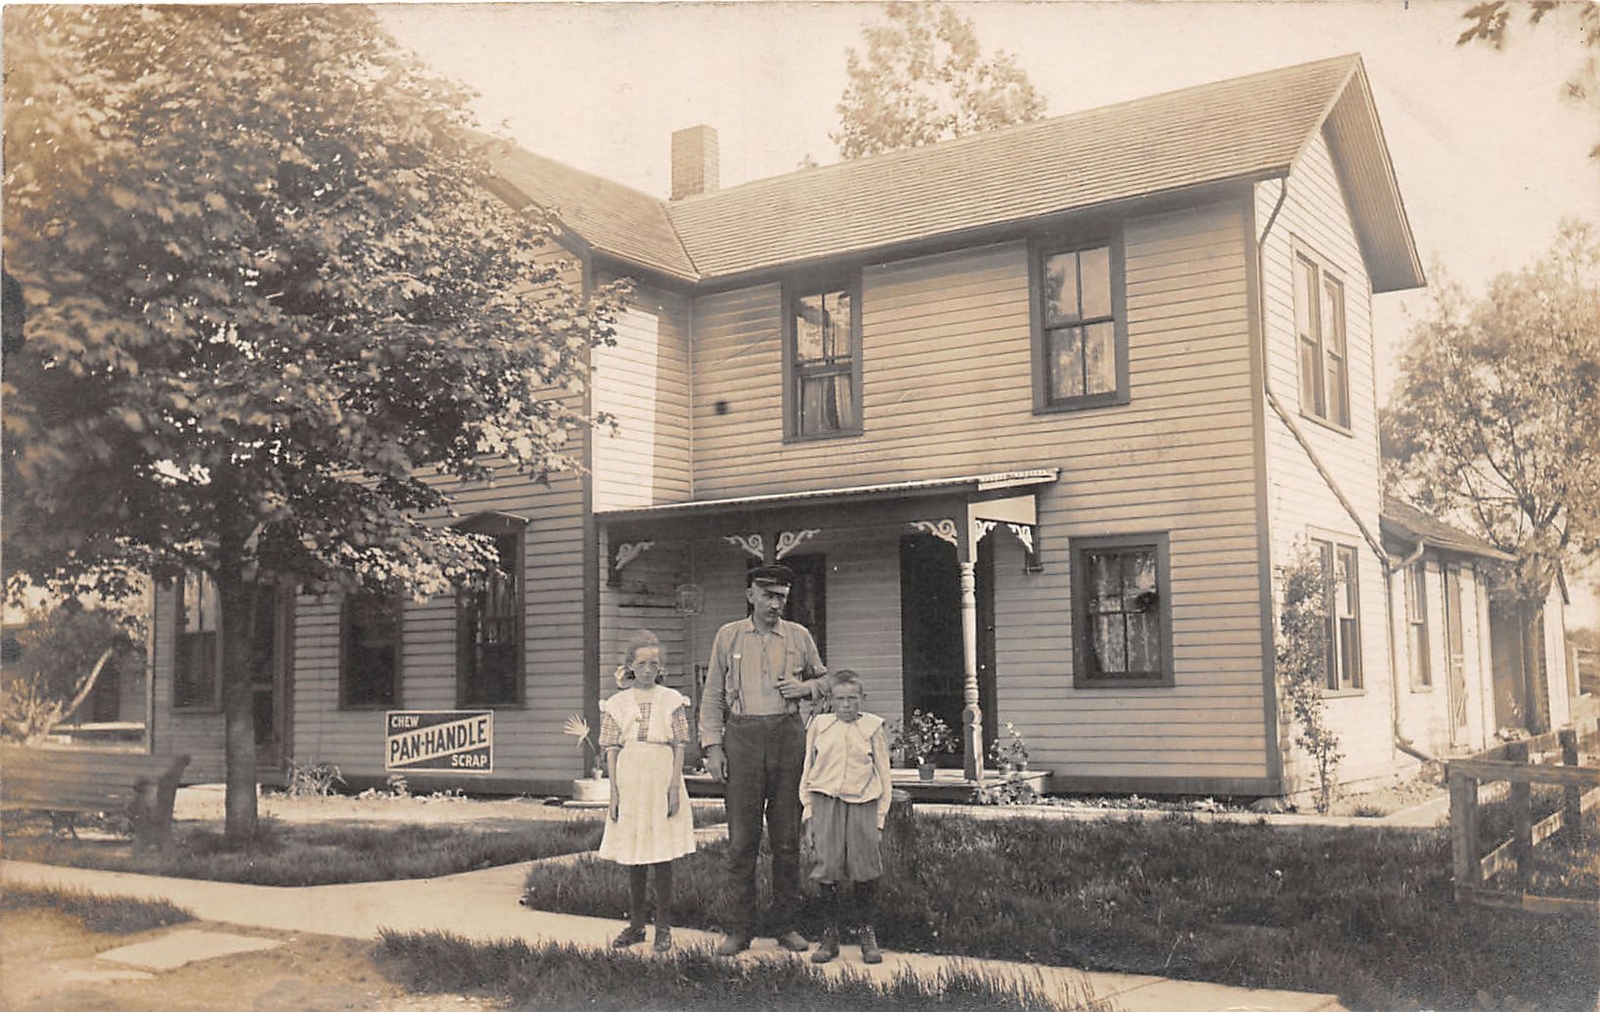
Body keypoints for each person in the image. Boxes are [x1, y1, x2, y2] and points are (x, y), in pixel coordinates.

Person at [699, 563, 829, 956]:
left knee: (787, 840)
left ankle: (786, 926)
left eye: (782, 597)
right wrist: (712, 747)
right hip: (742, 737)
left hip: (788, 737)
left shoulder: (799, 636)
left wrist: (804, 687)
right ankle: (740, 930)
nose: (775, 604)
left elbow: (826, 682)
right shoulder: (728, 636)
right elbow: (712, 696)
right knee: (742, 841)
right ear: (750, 594)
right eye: (768, 595)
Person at [597, 629, 695, 952]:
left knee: (661, 853)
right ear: (629, 666)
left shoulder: (672, 699)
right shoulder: (616, 703)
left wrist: (674, 786)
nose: (649, 669)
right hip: (630, 775)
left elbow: (680, 744)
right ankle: (637, 924)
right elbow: (611, 748)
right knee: (635, 854)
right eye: (642, 663)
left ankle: (663, 927)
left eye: (654, 663)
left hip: (661, 772)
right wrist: (614, 792)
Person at [799, 670, 891, 965]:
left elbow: (884, 777)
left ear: (862, 699)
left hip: (863, 803)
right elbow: (808, 769)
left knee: (864, 867)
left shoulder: (872, 727)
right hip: (826, 802)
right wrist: (809, 813)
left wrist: (879, 818)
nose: (847, 705)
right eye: (840, 699)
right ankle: (830, 935)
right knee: (828, 867)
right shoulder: (820, 726)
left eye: (853, 699)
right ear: (830, 700)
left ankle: (867, 933)